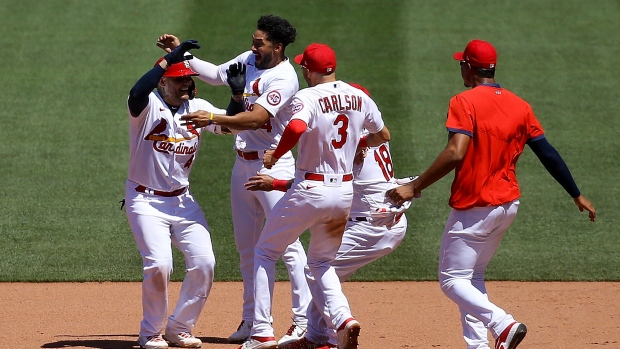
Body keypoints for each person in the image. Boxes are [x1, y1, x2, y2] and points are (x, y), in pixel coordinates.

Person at [387, 39, 597, 349]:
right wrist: (575, 194)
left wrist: (413, 186)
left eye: (462, 63)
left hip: (475, 206)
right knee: (471, 277)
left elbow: (456, 153)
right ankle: (478, 345)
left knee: (451, 280)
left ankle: (503, 324)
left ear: (469, 68)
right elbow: (546, 152)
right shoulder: (519, 105)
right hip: (508, 205)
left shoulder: (464, 101)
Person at [158, 15, 311, 346]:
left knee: (288, 246)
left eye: (260, 43)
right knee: (247, 250)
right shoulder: (250, 59)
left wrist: (213, 116)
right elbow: (214, 76)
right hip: (242, 167)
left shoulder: (284, 78)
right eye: (254, 41)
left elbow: (256, 119)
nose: (253, 46)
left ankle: (302, 321)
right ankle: (252, 319)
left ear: (278, 47)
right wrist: (179, 55)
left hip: (274, 166)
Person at [232, 43, 391, 349]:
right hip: (343, 193)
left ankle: (262, 332)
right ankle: (343, 319)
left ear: (309, 70)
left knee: (265, 251)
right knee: (320, 264)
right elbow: (383, 135)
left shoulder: (308, 96)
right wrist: (360, 144)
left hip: (310, 189)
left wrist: (275, 155)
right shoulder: (359, 97)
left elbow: (295, 126)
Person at [125, 40, 232, 349]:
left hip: (184, 201)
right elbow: (135, 92)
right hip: (145, 200)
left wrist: (237, 98)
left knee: (205, 263)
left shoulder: (198, 109)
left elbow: (229, 128)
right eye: (180, 78)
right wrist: (168, 57)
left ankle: (180, 327)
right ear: (163, 82)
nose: (187, 82)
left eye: (189, 78)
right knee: (160, 264)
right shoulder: (147, 107)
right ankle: (151, 332)